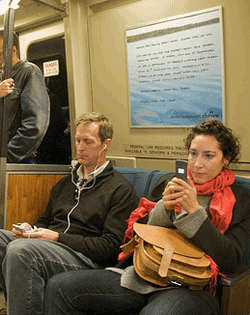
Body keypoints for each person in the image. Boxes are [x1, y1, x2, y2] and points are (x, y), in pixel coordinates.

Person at [44, 119, 250, 315]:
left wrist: (195, 213)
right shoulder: (170, 182)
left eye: (208, 156)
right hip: (144, 273)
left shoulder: (239, 201)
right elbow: (135, 233)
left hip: (189, 285)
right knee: (60, 286)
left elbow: (229, 259)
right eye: (193, 153)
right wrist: (164, 207)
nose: (197, 164)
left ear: (226, 159)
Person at [0, 112, 139, 315]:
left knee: (21, 251)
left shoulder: (120, 189)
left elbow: (110, 247)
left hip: (86, 258)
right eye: (77, 140)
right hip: (51, 247)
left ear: (105, 144)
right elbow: (45, 220)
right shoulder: (66, 183)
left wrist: (56, 237)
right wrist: (30, 230)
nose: (80, 148)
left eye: (88, 142)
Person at [0, 31, 50, 163]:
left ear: (13, 50)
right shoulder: (1, 78)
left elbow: (35, 125)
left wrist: (6, 156)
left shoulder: (29, 72)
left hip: (18, 159)